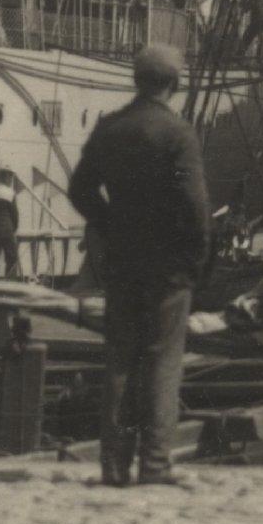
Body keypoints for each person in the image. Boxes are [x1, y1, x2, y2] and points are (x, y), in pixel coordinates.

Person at [68, 43, 212, 487]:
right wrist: (196, 259)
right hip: (168, 266)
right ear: (174, 82)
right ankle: (154, 465)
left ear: (137, 79)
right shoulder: (176, 134)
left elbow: (79, 189)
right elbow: (195, 207)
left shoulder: (110, 128)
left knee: (120, 363)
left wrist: (109, 223)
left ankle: (113, 466)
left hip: (123, 262)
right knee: (163, 363)